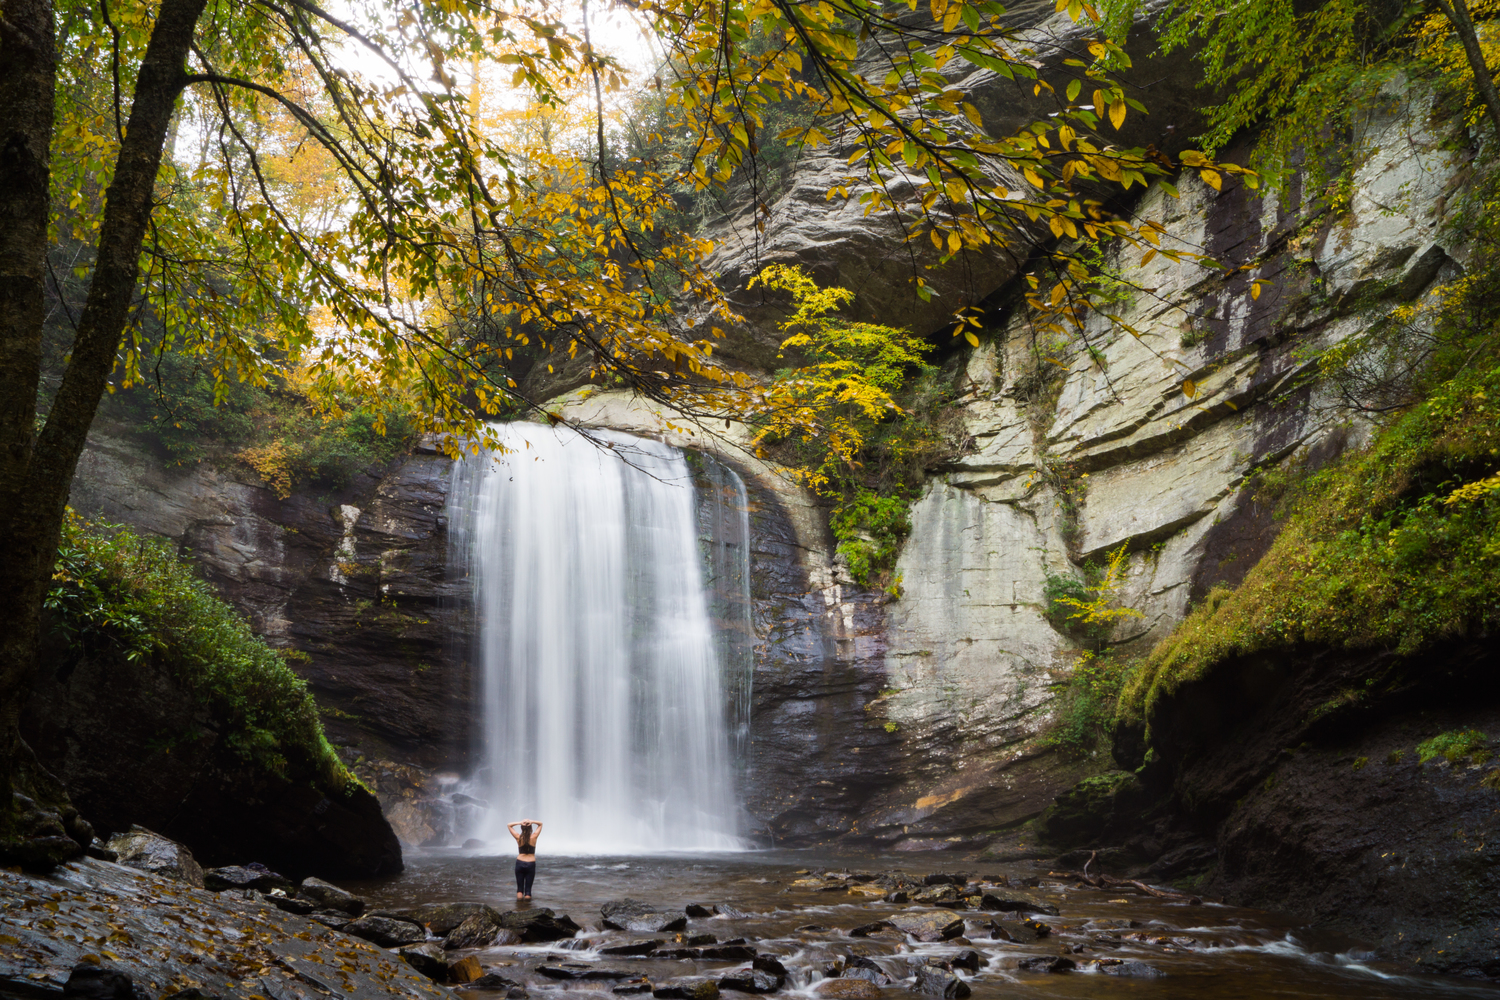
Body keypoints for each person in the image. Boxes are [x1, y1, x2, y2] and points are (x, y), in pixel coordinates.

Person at [507, 818, 543, 899]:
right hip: (531, 863)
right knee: (528, 890)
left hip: (520, 862)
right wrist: (531, 821)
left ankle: (519, 908)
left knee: (519, 889)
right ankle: (527, 908)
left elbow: (509, 825)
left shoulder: (518, 837)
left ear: (521, 828)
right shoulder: (534, 837)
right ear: (530, 828)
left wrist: (521, 822)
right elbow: (540, 824)